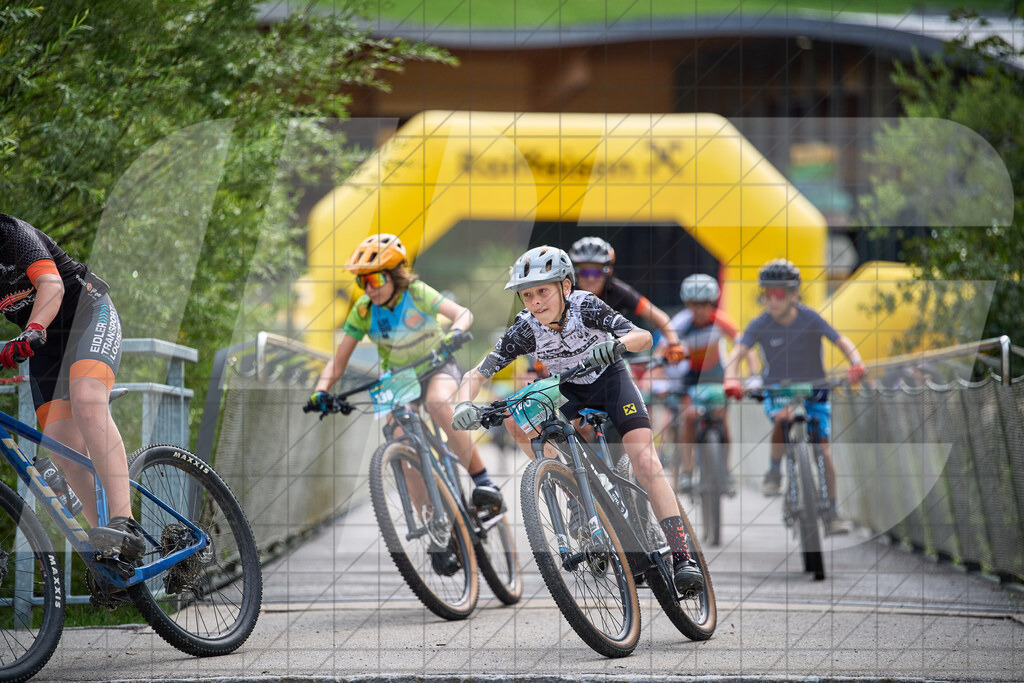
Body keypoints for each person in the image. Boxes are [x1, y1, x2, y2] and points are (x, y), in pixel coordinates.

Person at [452, 245, 704, 593]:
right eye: (527, 295)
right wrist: (463, 405)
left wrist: (617, 345)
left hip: (612, 382)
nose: (536, 301)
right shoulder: (525, 329)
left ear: (565, 287)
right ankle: (571, 485)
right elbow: (475, 374)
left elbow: (642, 336)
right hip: (570, 391)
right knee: (515, 419)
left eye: (543, 291)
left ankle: (682, 557)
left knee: (645, 462)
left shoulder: (586, 305)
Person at [305, 233, 503, 521]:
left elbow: (463, 314)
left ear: (394, 275)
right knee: (399, 436)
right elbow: (337, 363)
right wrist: (321, 390)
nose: (368, 289)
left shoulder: (416, 292)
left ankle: (484, 482)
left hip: (436, 365)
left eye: (374, 280)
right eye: (362, 282)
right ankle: (431, 520)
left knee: (437, 403)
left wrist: (455, 334)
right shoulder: (363, 311)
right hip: (399, 378)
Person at [0, 213, 144, 561]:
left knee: (86, 399)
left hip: (87, 313)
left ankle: (126, 523)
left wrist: (31, 329)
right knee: (62, 448)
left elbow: (52, 285)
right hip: (46, 345)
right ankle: (112, 552)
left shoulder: (9, 233)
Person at [722, 259, 866, 535]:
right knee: (782, 417)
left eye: (780, 293)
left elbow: (841, 341)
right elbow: (737, 353)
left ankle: (833, 511)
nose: (773, 300)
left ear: (794, 294)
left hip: (815, 391)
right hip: (777, 391)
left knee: (823, 450)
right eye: (767, 293)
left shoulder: (810, 318)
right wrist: (730, 378)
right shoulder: (759, 324)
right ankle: (774, 471)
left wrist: (856, 362)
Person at [660, 273, 758, 495]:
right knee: (688, 417)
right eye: (695, 305)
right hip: (691, 375)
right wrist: (661, 376)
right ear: (688, 304)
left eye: (704, 304)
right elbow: (661, 351)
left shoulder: (720, 319)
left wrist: (753, 374)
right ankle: (686, 472)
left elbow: (744, 344)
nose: (700, 310)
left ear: (711, 303)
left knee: (723, 420)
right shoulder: (681, 323)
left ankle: (725, 471)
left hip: (716, 374)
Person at [567, 236, 686, 364]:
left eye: (596, 272)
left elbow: (660, 317)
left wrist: (674, 344)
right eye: (584, 272)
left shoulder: (619, 291)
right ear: (575, 272)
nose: (590, 278)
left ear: (608, 271)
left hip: (612, 361)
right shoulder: (566, 293)